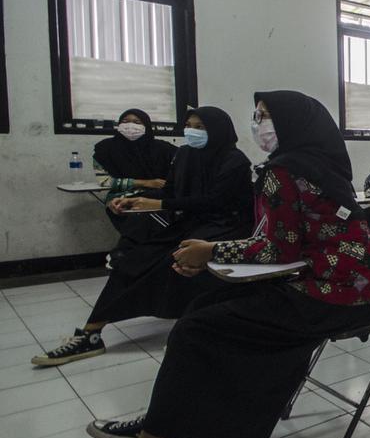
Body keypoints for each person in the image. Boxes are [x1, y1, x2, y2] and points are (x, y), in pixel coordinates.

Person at [42, 90, 370, 438]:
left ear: (293, 124)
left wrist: (211, 252)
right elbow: (284, 243)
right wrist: (213, 256)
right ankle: (166, 419)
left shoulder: (284, 171)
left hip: (332, 296)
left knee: (195, 328)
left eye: (266, 116)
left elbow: (280, 249)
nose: (258, 124)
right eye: (256, 115)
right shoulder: (323, 164)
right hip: (347, 286)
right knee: (204, 306)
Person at [32, 107, 253, 367]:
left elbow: (216, 201)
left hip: (224, 226)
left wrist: (157, 205)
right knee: (131, 258)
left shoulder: (235, 160)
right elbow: (170, 191)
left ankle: (190, 331)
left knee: (176, 261)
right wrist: (135, 201)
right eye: (189, 125)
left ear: (218, 130)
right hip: (188, 223)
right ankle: (91, 334)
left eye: (200, 127)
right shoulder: (183, 155)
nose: (192, 131)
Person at [91, 109, 178, 258]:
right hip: (121, 197)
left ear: (147, 126)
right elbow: (105, 181)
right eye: (125, 122)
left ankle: (127, 252)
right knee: (136, 212)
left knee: (155, 214)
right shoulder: (105, 149)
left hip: (160, 195)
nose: (130, 126)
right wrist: (145, 183)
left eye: (137, 122)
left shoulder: (164, 148)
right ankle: (133, 253)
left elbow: (180, 170)